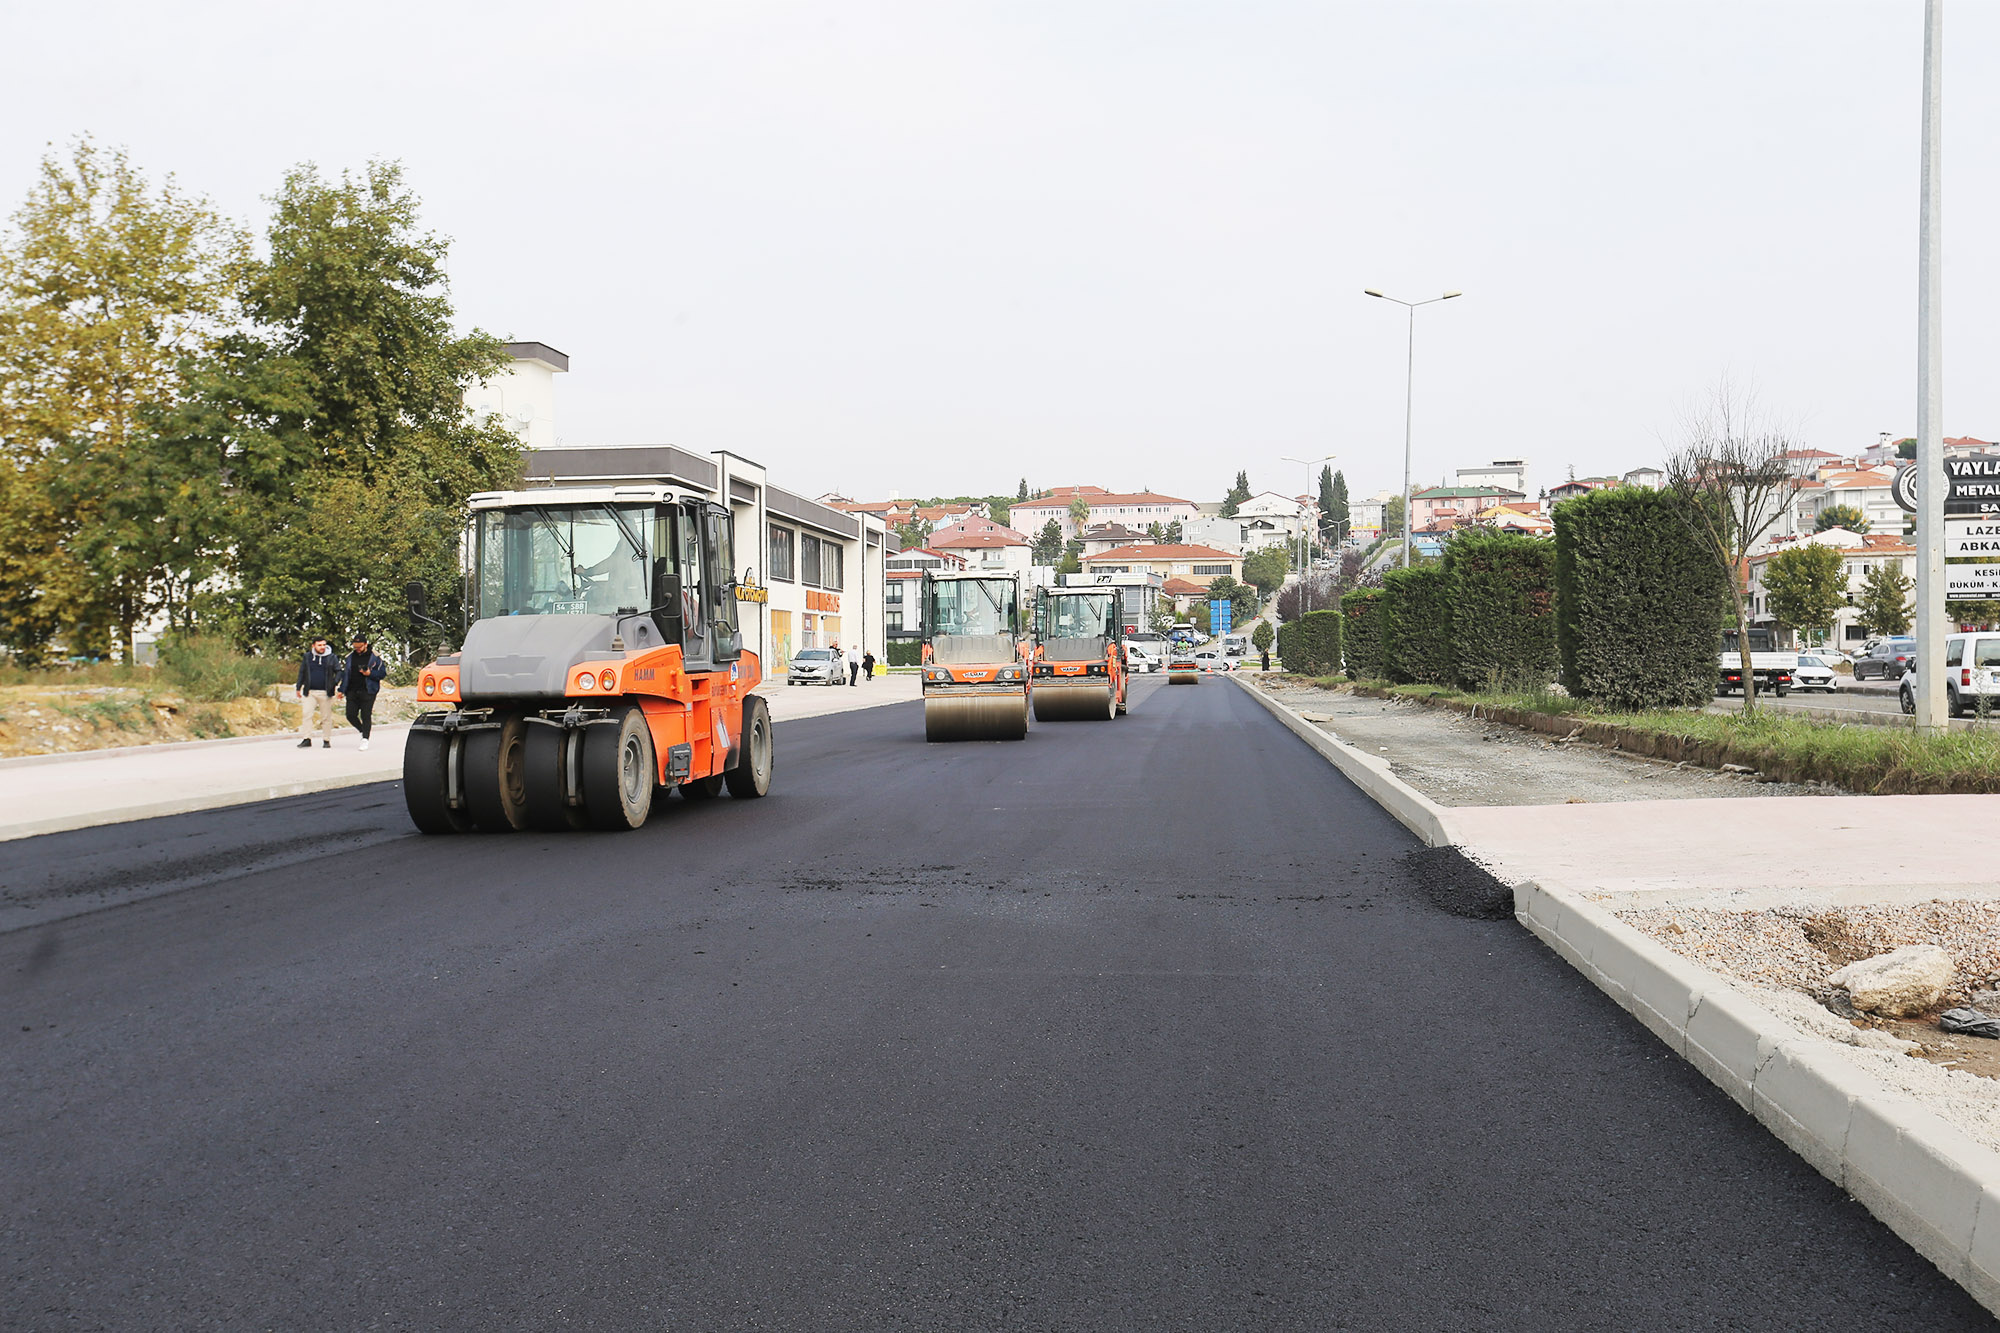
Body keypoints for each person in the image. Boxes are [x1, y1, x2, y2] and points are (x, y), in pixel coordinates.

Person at [337, 633, 389, 752]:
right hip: (352, 690)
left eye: (360, 646)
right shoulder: (350, 657)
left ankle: (365, 738)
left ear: (365, 644)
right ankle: (362, 730)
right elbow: (346, 675)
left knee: (366, 715)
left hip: (368, 690)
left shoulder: (375, 657)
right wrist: (341, 690)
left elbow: (382, 674)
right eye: (355, 646)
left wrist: (370, 674)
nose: (358, 649)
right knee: (350, 715)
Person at [296, 635, 340, 749]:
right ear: (313, 645)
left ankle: (326, 740)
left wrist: (333, 683)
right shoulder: (307, 657)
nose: (322, 647)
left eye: (324, 645)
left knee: (326, 717)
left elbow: (339, 671)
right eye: (319, 645)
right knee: (307, 714)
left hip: (325, 692)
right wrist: (298, 687)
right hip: (309, 691)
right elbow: (302, 672)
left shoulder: (331, 657)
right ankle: (307, 739)